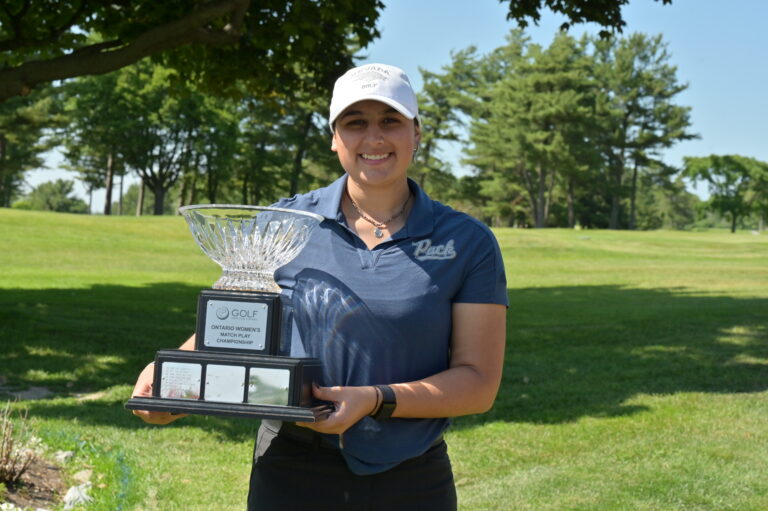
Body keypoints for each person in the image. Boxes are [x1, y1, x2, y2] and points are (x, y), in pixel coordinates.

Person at [131, 63, 508, 510]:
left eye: (390, 121)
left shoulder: (466, 241)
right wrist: (173, 382)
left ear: (416, 133)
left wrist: (374, 400)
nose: (374, 138)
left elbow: (478, 383)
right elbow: (237, 320)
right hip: (292, 469)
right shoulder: (283, 225)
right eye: (355, 123)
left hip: (411, 476)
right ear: (334, 137)